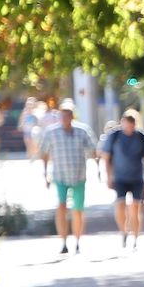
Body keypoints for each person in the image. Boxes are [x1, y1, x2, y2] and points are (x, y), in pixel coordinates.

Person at [38, 100, 96, 254]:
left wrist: (98, 169)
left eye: (68, 115)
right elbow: (44, 153)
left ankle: (77, 241)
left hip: (79, 175)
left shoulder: (82, 131)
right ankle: (63, 241)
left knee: (78, 209)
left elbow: (93, 149)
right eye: (63, 115)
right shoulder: (51, 132)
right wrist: (45, 174)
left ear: (72, 116)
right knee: (61, 207)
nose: (65, 118)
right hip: (60, 175)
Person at [101, 109, 144, 248]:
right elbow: (106, 157)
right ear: (122, 123)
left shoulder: (142, 137)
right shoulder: (114, 136)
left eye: (131, 125)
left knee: (136, 208)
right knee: (120, 205)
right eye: (126, 125)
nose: (129, 128)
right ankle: (124, 231)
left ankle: (136, 237)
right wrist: (108, 177)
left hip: (137, 178)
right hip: (119, 178)